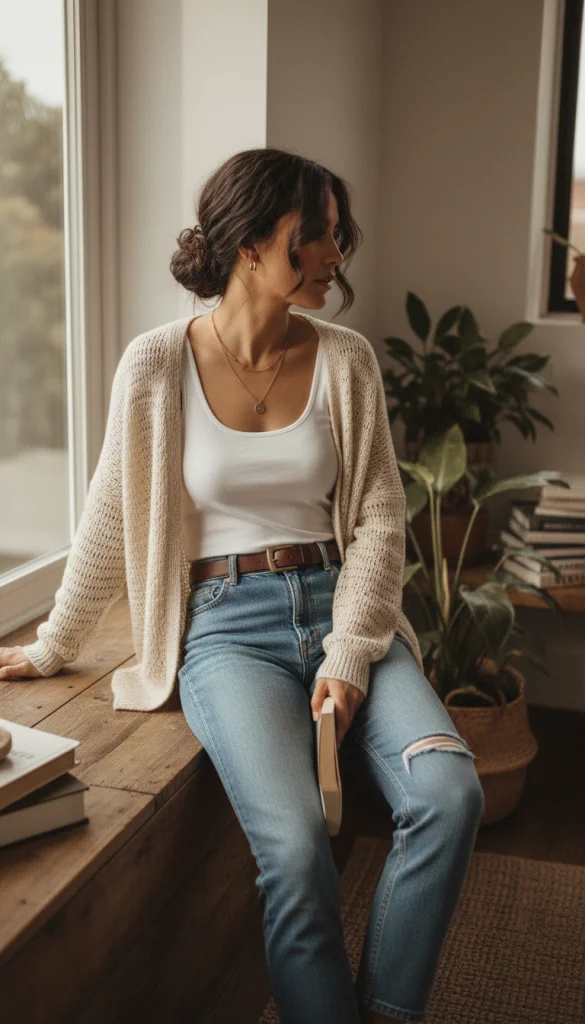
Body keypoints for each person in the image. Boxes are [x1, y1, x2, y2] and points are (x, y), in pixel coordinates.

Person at [0, 148, 484, 1024]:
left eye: (338, 236)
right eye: (316, 238)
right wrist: (50, 645)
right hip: (227, 632)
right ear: (250, 245)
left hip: (346, 614)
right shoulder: (154, 365)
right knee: (294, 850)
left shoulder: (347, 361)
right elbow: (108, 519)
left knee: (450, 795)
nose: (336, 256)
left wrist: (348, 649)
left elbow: (379, 516)